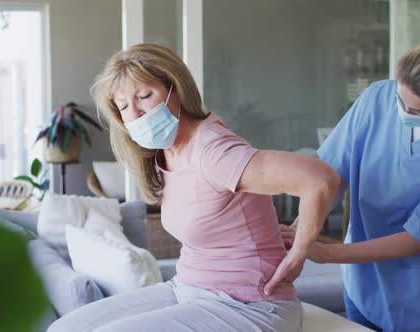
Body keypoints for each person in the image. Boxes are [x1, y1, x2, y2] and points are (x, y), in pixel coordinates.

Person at [48, 43, 340, 332]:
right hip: (187, 287)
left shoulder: (214, 152)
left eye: (145, 96)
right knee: (65, 328)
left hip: (249, 306)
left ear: (176, 90)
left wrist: (300, 251)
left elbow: (320, 179)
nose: (135, 115)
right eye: (124, 106)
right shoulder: (167, 151)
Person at [278, 40, 420, 332]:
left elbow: (415, 238)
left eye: (415, 109)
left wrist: (326, 253)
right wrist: (303, 232)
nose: (400, 111)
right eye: (400, 99)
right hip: (362, 278)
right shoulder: (377, 97)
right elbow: (331, 177)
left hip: (418, 290)